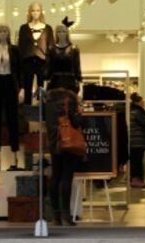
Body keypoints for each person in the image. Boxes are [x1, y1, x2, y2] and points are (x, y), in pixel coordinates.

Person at [45, 85, 83, 226]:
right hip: (68, 142)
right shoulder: (69, 100)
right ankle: (66, 213)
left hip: (54, 143)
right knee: (67, 177)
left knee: (55, 177)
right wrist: (80, 115)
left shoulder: (49, 102)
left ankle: (56, 215)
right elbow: (76, 122)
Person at [129, 93, 145, 188]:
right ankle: (136, 179)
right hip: (137, 142)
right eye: (142, 102)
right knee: (137, 161)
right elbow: (144, 124)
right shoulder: (137, 112)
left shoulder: (133, 112)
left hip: (135, 141)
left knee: (136, 160)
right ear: (137, 103)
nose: (143, 104)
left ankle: (135, 179)